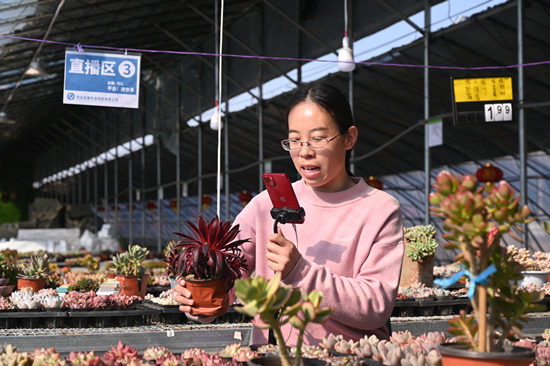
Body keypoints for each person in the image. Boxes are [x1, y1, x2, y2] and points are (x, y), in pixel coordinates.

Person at [174, 82, 404, 347]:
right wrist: (198, 297)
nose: (304, 151)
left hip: (348, 357)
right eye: (294, 140)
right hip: (273, 355)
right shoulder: (265, 205)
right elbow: (228, 278)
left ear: (349, 138)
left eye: (318, 138)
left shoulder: (379, 209)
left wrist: (300, 271)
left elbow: (375, 305)